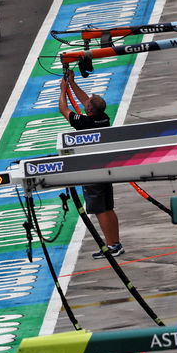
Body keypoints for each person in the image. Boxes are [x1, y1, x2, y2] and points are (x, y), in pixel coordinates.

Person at [59, 69, 122, 258]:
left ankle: (111, 246)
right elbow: (86, 99)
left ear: (89, 110)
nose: (85, 102)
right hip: (105, 167)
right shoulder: (103, 117)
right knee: (108, 208)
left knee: (100, 209)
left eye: (87, 103)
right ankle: (116, 243)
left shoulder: (84, 123)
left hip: (93, 169)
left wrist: (63, 90)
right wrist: (72, 82)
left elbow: (63, 109)